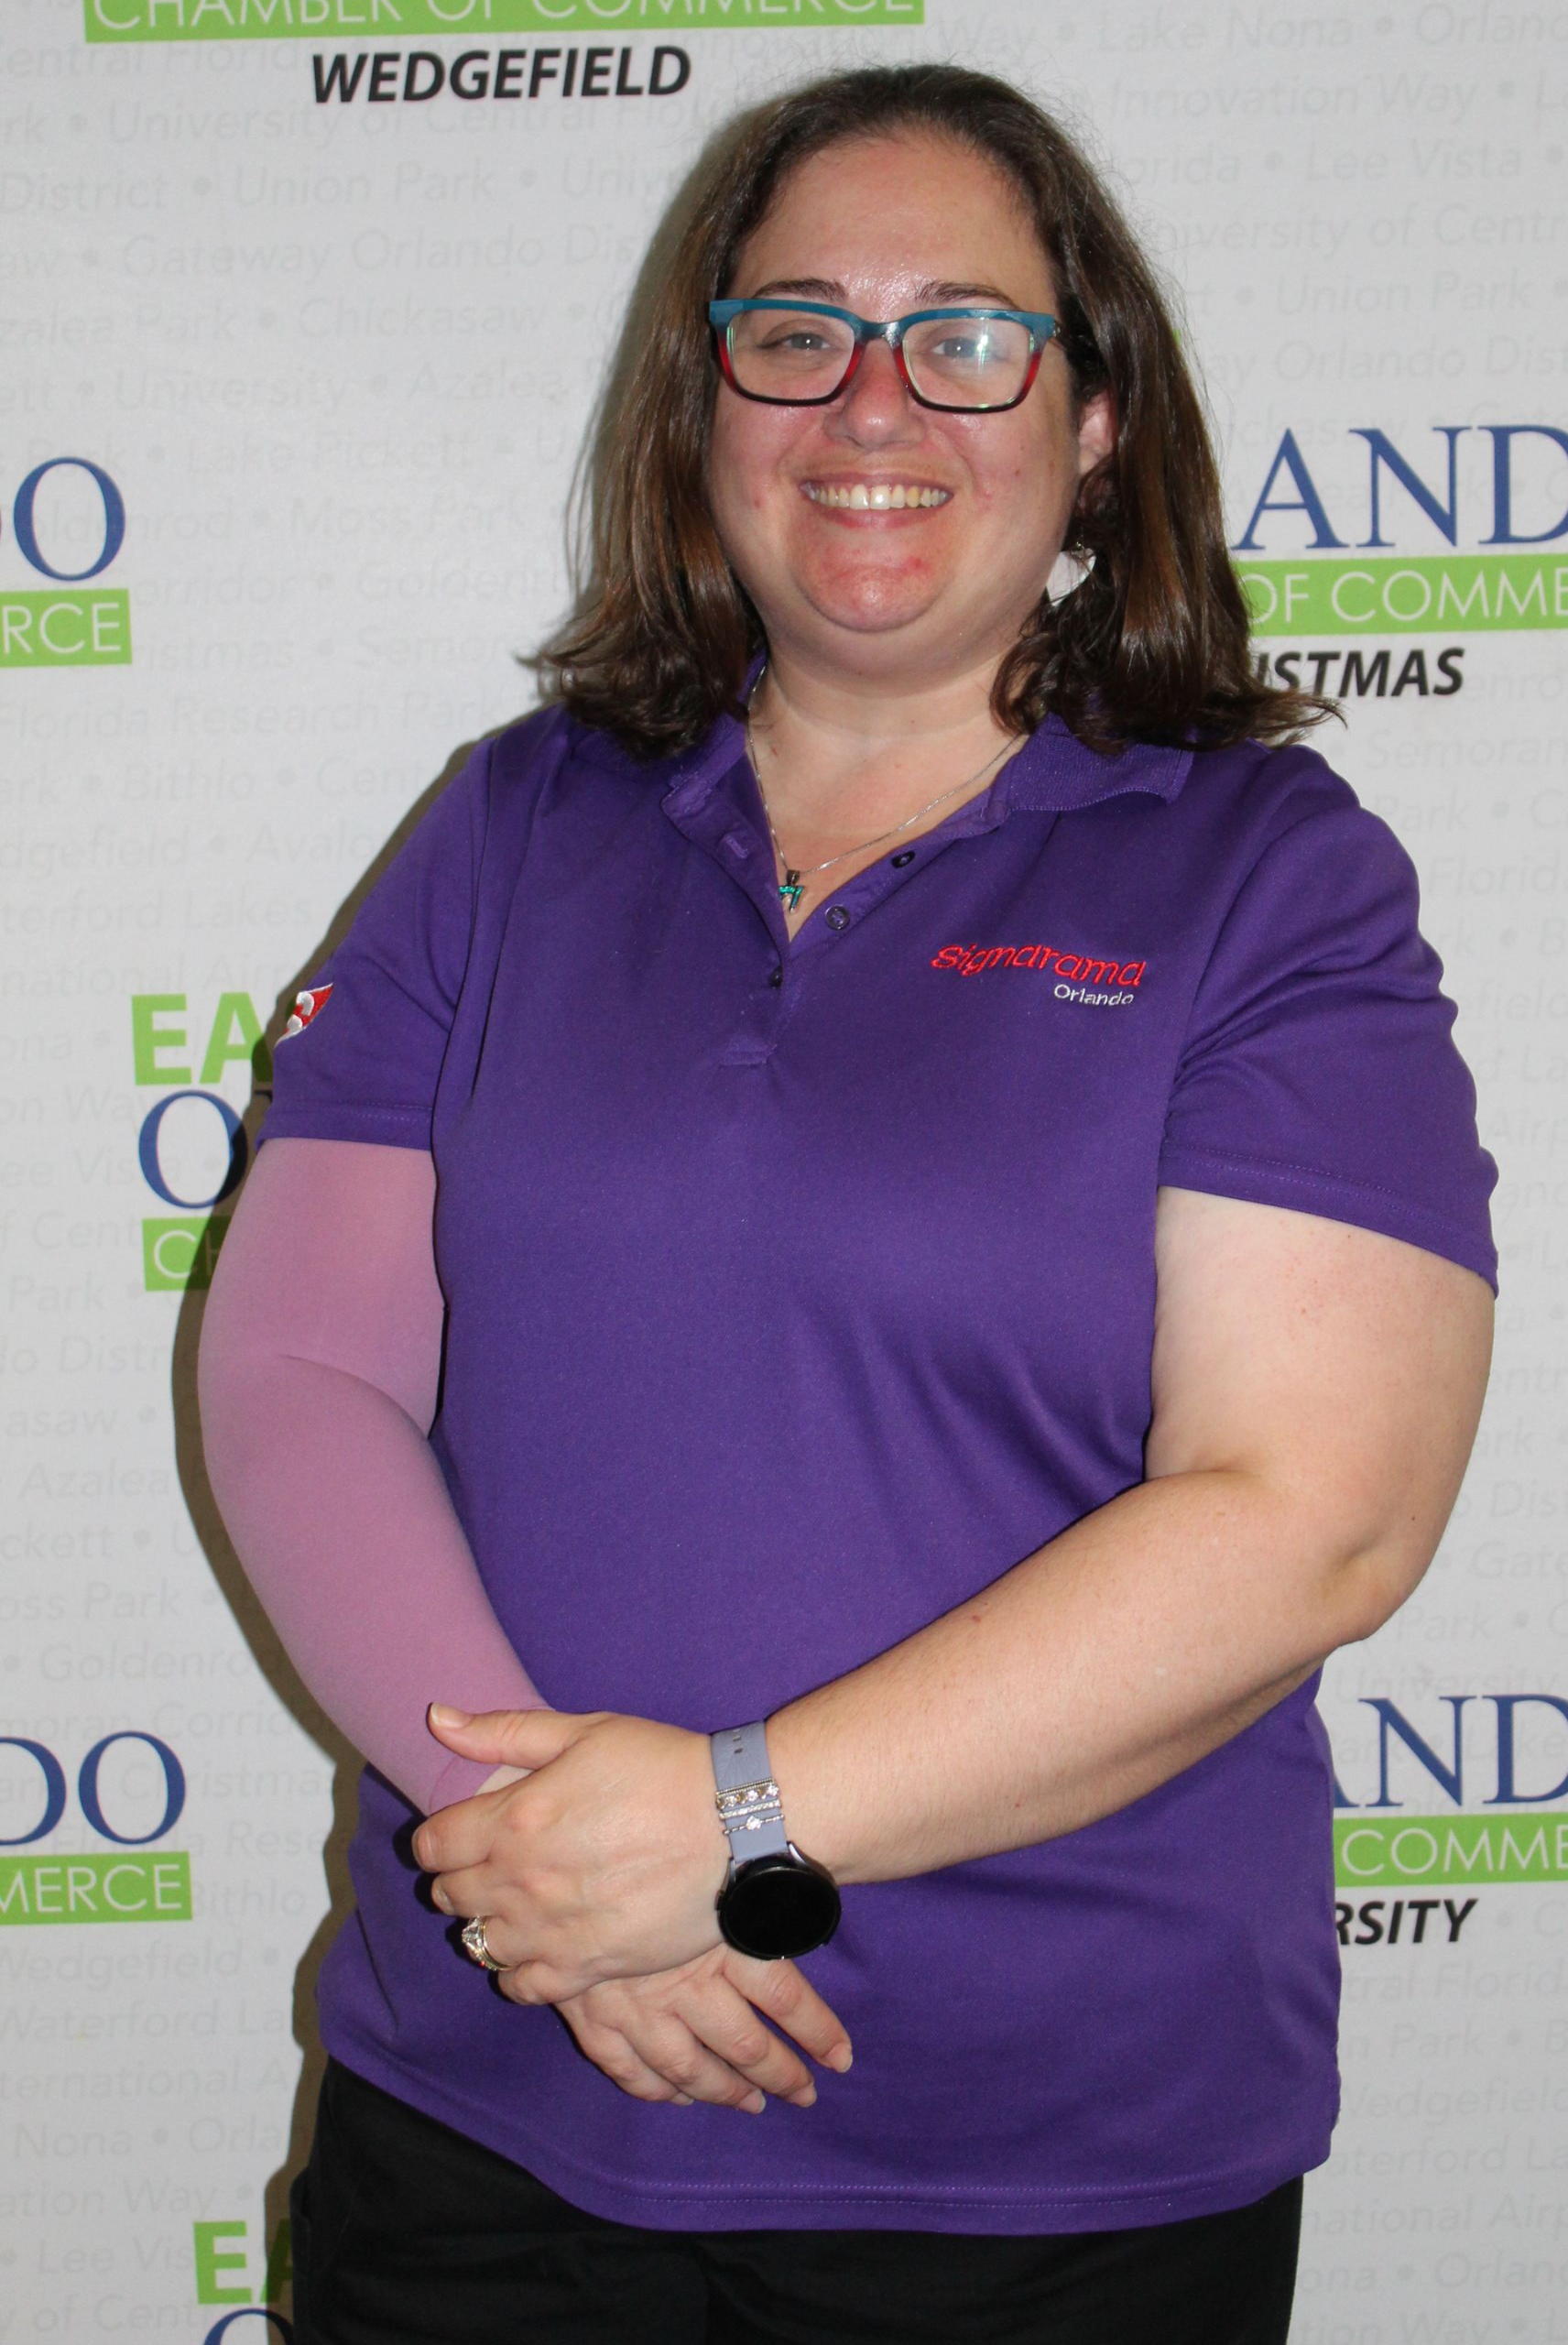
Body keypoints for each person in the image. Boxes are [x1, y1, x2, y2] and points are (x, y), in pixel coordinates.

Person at [197, 60, 1497, 2345]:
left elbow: (1317, 1514)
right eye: (794, 330)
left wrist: (724, 1823)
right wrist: (555, 1877)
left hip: (1049, 2163)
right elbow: (300, 1366)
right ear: (703, 404)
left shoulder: (1267, 877)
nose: (871, 401)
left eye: (965, 336)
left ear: (1097, 417)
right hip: (493, 2095)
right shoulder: (511, 828)